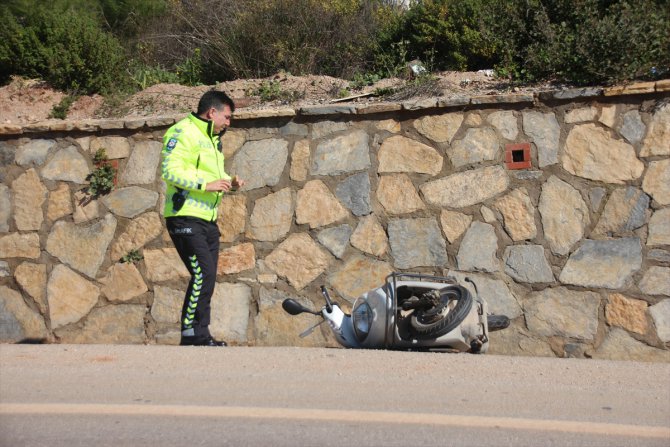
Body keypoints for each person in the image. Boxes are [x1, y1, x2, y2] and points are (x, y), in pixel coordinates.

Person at [161, 90, 245, 347]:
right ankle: (192, 335)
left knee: (206, 276)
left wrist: (229, 181)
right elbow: (170, 171)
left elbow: (209, 172)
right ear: (212, 112)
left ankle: (201, 334)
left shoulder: (211, 139)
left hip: (207, 219)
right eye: (227, 117)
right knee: (203, 273)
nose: (228, 123)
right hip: (184, 217)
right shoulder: (182, 132)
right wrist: (205, 185)